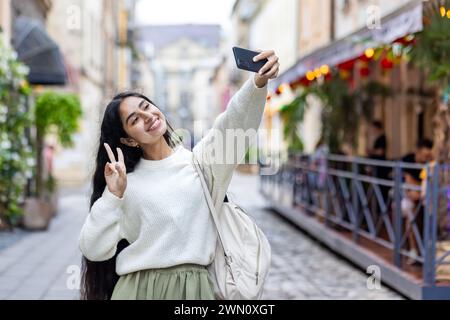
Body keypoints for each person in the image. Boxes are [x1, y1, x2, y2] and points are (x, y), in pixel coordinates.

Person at [78, 50, 280, 300]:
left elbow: (232, 124)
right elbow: (93, 248)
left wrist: (257, 83)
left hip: (194, 291)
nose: (148, 117)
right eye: (135, 119)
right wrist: (112, 196)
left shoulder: (200, 163)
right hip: (136, 291)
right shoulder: (123, 183)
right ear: (128, 139)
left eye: (146, 107)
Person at [400, 139, 434, 264]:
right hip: (404, 195)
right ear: (418, 152)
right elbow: (409, 185)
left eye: (429, 156)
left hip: (424, 197)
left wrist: (420, 191)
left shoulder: (431, 163)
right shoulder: (407, 160)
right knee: (410, 211)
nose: (426, 159)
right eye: (425, 156)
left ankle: (429, 252)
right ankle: (414, 250)